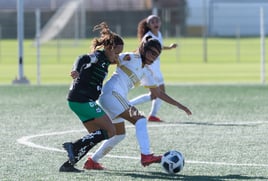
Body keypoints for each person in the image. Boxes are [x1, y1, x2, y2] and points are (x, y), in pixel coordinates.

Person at [83, 36, 192, 170]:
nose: (153, 57)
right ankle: (146, 156)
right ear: (143, 49)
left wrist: (179, 105)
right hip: (112, 94)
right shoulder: (131, 57)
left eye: (156, 55)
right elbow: (109, 57)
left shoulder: (146, 71)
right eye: (152, 53)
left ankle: (92, 161)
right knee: (140, 119)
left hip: (113, 98)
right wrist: (97, 61)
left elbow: (157, 93)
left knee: (119, 135)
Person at [59, 22, 124, 172]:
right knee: (110, 131)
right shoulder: (98, 56)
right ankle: (73, 146)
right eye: (116, 52)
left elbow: (117, 59)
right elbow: (82, 58)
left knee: (95, 136)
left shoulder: (106, 60)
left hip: (78, 101)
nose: (118, 56)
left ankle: (69, 164)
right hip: (82, 100)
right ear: (108, 48)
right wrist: (75, 70)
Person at [130, 15, 178, 122]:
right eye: (152, 22)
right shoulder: (148, 37)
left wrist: (169, 48)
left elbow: (158, 47)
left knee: (156, 94)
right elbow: (141, 49)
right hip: (151, 68)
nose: (155, 23)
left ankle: (151, 115)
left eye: (157, 21)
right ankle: (128, 105)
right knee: (158, 94)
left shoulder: (158, 34)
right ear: (148, 25)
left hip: (156, 67)